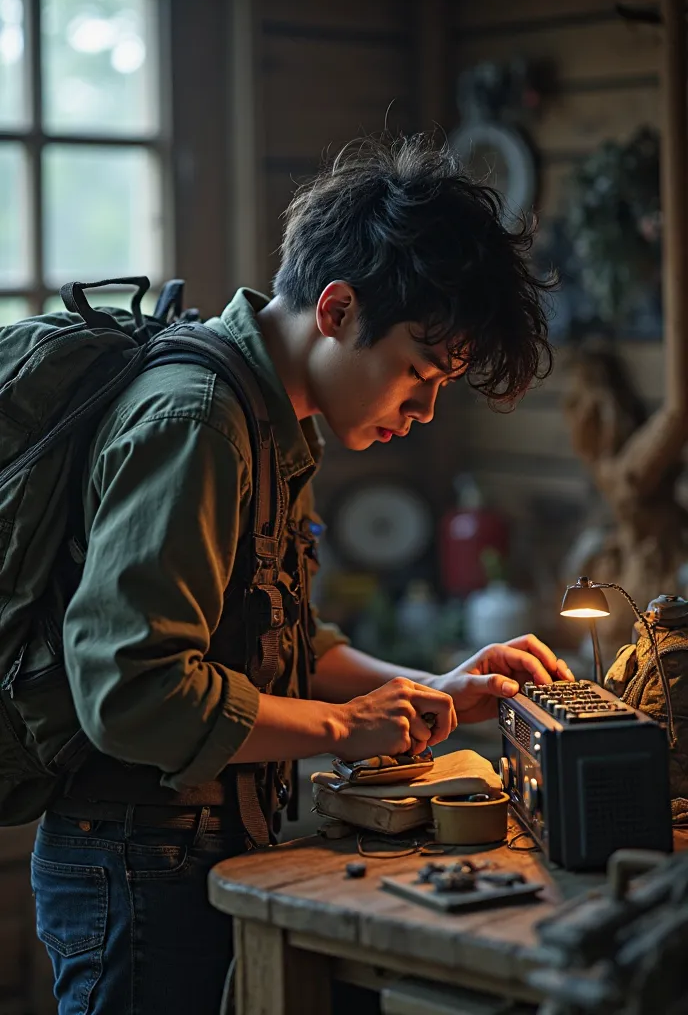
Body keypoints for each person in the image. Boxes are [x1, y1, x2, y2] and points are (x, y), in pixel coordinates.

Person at [31, 134, 572, 1015]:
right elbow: (132, 692)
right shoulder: (199, 420)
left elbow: (285, 642)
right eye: (415, 373)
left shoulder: (271, 416)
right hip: (134, 861)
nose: (425, 410)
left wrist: (435, 686)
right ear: (335, 309)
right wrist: (338, 728)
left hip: (190, 846)